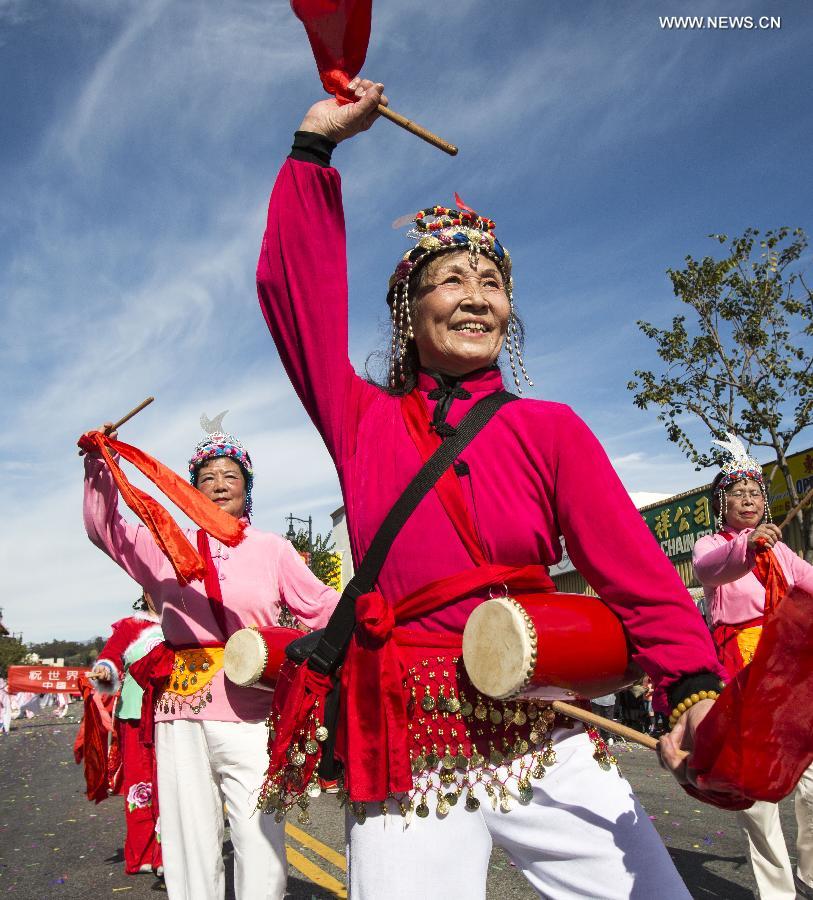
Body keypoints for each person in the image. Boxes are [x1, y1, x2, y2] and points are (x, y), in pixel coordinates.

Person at [255, 77, 727, 898]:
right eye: (451, 280)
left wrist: (689, 682)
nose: (476, 297)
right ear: (408, 308)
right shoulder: (361, 420)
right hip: (411, 751)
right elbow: (297, 298)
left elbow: (633, 569)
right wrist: (313, 149)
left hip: (543, 730)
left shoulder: (550, 428)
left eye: (492, 283)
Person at [81, 414, 340, 900]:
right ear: (190, 487)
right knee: (188, 838)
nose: (219, 485)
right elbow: (105, 529)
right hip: (180, 713)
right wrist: (100, 466)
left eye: (231, 476)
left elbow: (322, 606)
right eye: (206, 477)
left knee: (258, 832)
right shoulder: (162, 548)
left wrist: (358, 622)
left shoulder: (273, 549)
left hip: (253, 709)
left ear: (247, 487)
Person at [693, 434, 813, 899]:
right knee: (758, 794)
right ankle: (778, 894)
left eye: (756, 493)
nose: (749, 500)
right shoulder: (714, 544)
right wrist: (747, 546)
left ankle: (809, 875)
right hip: (740, 670)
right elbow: (709, 569)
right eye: (738, 493)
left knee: (809, 779)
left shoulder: (783, 552)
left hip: (785, 672)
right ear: (722, 503)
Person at [91, 592, 165, 877]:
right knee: (140, 787)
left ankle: (168, 854)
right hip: (134, 716)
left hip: (173, 715)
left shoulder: (185, 622)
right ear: (146, 592)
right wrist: (101, 674)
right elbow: (109, 659)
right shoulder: (129, 627)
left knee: (170, 785)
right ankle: (143, 854)